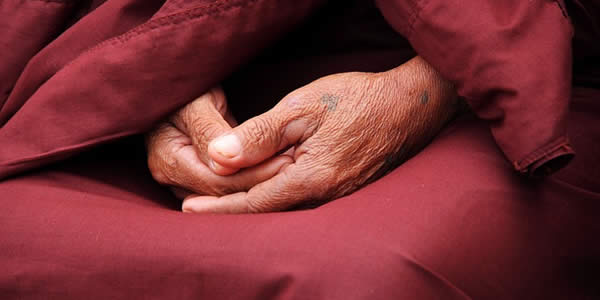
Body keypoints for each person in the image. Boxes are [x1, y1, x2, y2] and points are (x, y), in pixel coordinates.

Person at [1, 0, 598, 299]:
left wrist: (425, 90)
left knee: (359, 279)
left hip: (494, 74)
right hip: (162, 74)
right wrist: (154, 79)